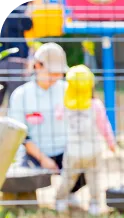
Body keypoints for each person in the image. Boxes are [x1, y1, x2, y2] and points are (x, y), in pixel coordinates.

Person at [8, 42, 86, 202]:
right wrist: (43, 158)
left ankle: (70, 192)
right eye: (51, 72)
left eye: (58, 73)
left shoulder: (67, 90)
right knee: (21, 172)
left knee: (85, 160)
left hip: (65, 149)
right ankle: (27, 198)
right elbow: (22, 136)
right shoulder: (21, 95)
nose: (55, 77)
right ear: (37, 66)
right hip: (34, 152)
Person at [55, 64, 115, 215]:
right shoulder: (96, 105)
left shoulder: (64, 105)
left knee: (68, 178)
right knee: (94, 179)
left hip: (73, 150)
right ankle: (94, 204)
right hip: (93, 150)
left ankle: (60, 200)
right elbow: (104, 126)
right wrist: (111, 143)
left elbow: (58, 117)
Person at [0, 0, 34, 107]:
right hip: (16, 60)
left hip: (2, 58)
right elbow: (28, 24)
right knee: (18, 101)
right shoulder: (19, 11)